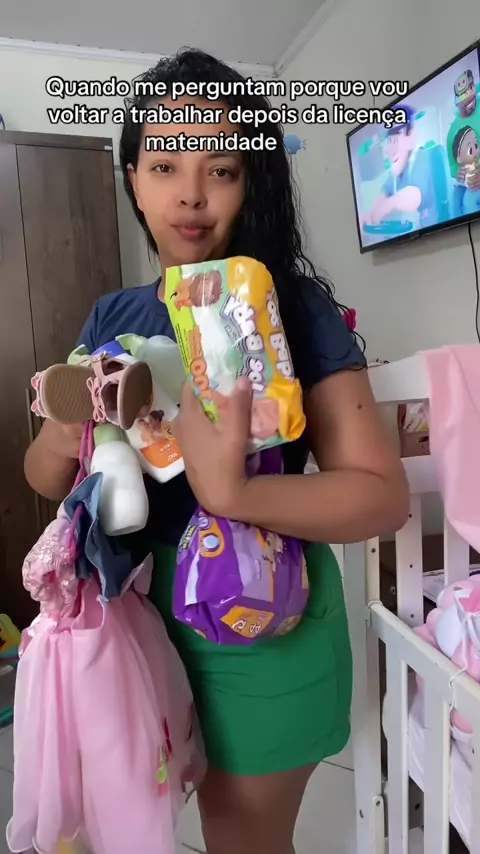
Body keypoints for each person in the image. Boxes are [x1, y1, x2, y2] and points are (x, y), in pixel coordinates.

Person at [24, 48, 409, 854]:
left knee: (241, 839)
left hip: (264, 614)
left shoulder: (292, 308)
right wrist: (66, 427)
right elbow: (46, 477)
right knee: (142, 821)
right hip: (131, 621)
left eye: (221, 171)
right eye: (164, 166)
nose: (191, 195)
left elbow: (381, 496)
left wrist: (234, 493)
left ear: (251, 183)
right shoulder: (112, 316)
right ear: (132, 179)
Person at [363, 105, 436, 228]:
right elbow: (385, 193)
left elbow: (414, 195)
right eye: (389, 141)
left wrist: (388, 205)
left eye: (395, 140)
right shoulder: (396, 172)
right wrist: (372, 215)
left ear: (411, 136)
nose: (390, 151)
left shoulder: (422, 158)